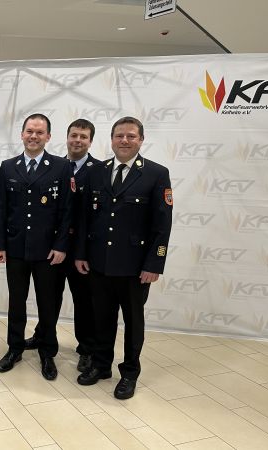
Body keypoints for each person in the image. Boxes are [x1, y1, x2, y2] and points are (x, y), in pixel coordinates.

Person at [75, 116, 173, 400]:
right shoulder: (97, 172)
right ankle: (101, 365)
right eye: (119, 136)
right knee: (101, 319)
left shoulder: (156, 174)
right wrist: (81, 253)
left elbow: (162, 225)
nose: (124, 141)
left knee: (133, 323)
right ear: (112, 140)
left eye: (131, 136)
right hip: (99, 263)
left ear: (141, 140)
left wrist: (154, 264)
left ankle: (129, 373)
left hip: (134, 268)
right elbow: (84, 218)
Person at [0, 113, 73, 380]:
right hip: (16, 248)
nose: (34, 136)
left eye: (39, 132)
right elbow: (1, 208)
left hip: (48, 252)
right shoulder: (8, 167)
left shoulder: (61, 167)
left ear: (48, 136)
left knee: (47, 305)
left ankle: (47, 353)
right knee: (16, 303)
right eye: (29, 131)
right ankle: (14, 348)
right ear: (22, 134)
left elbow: (67, 211)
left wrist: (61, 246)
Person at [25, 119, 100, 373]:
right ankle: (43, 335)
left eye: (83, 137)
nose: (77, 140)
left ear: (90, 141)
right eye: (74, 135)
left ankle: (86, 348)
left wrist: (83, 250)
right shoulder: (55, 166)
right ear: (66, 137)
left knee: (84, 302)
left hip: (80, 251)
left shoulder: (98, 171)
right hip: (54, 248)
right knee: (49, 298)